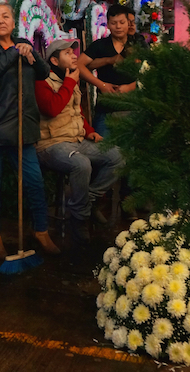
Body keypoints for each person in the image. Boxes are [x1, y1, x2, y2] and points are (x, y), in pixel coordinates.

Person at [0, 1, 60, 260]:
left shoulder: (23, 44)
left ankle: (41, 231)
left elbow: (43, 73)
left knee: (34, 181)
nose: (0, 21)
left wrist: (31, 53)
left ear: (13, 21)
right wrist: (13, 53)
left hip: (21, 128)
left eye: (5, 16)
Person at [34, 38, 123, 246]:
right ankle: (79, 218)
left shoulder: (70, 79)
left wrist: (90, 132)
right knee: (81, 164)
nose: (74, 56)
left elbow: (77, 113)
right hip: (51, 144)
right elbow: (52, 109)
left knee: (118, 155)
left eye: (73, 52)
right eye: (68, 53)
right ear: (55, 61)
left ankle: (87, 201)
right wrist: (70, 83)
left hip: (76, 140)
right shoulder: (42, 81)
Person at [77, 4, 137, 137]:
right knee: (102, 151)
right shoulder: (100, 45)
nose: (118, 27)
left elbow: (149, 73)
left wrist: (129, 87)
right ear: (108, 25)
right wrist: (101, 84)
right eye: (114, 23)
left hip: (133, 108)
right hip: (105, 109)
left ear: (129, 23)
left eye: (122, 22)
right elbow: (79, 65)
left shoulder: (138, 44)